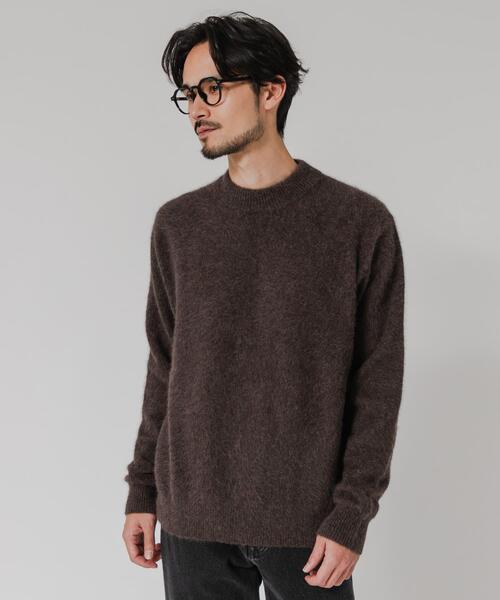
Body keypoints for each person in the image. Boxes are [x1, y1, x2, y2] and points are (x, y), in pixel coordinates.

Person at [122, 11, 405, 599]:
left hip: (308, 525)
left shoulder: (357, 223)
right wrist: (142, 491)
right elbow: (164, 367)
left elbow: (377, 383)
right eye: (188, 94)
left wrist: (352, 514)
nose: (196, 109)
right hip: (191, 521)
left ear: (271, 91)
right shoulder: (178, 225)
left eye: (212, 88)